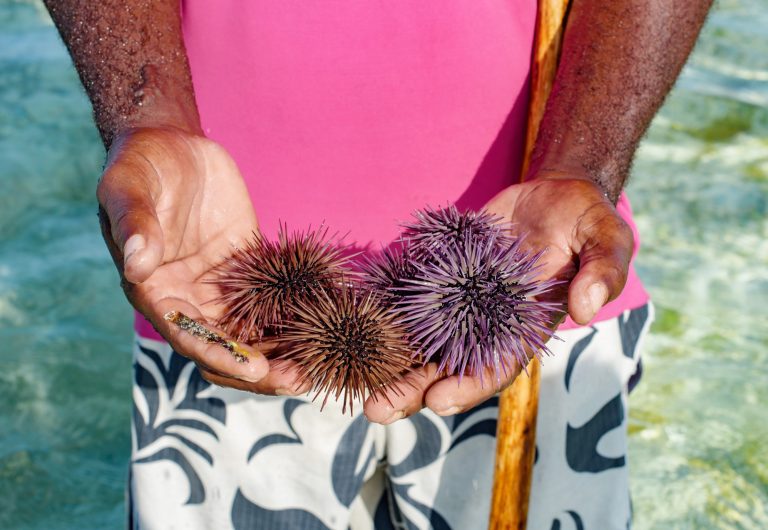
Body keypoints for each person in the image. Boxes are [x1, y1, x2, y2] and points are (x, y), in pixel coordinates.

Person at [44, 1, 711, 528]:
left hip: (542, 288)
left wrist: (584, 167)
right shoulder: (210, 282)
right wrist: (147, 115)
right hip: (215, 295)